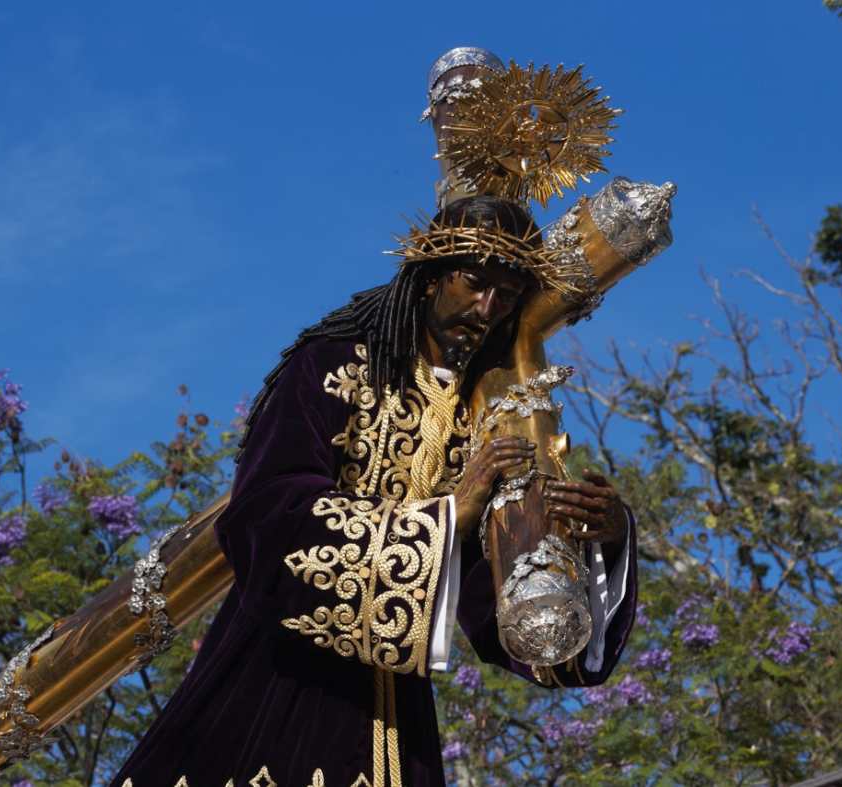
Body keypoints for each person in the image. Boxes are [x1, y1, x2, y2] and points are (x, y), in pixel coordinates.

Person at [111, 195, 637, 787]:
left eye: (507, 295)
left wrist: (603, 545)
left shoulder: (481, 415)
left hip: (395, 713)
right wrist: (448, 516)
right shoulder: (333, 363)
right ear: (431, 276)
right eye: (473, 283)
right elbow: (266, 514)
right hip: (277, 674)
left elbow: (509, 623)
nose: (487, 307)